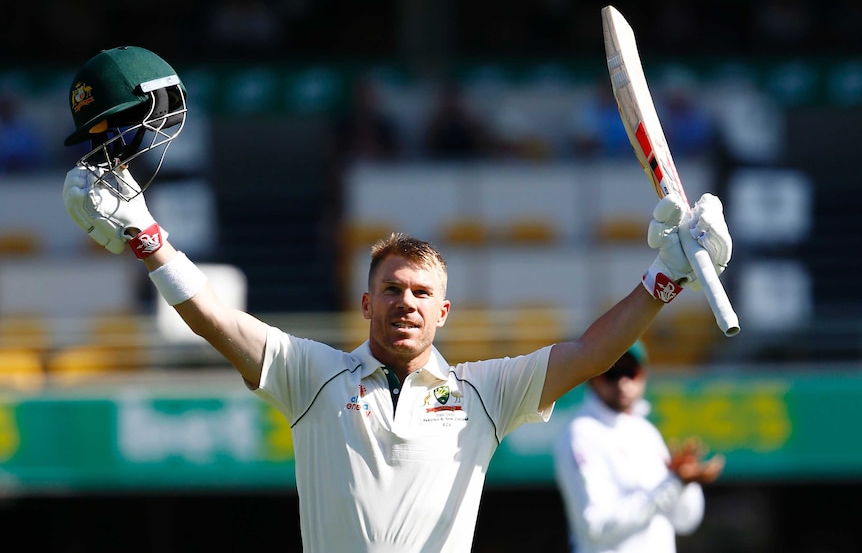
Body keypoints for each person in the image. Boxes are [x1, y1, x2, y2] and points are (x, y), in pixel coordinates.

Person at [60, 46, 733, 553]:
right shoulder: (312, 376)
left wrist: (665, 276)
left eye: (421, 293)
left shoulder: (483, 393)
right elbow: (214, 318)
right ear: (365, 302)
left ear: (444, 312)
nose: (405, 302)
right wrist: (151, 241)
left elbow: (591, 353)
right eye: (391, 289)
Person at [553, 340, 725, 553]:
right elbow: (595, 526)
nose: (623, 382)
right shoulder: (580, 433)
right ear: (593, 377)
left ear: (642, 375)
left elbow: (685, 521)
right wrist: (672, 484)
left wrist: (684, 484)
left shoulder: (646, 432)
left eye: (630, 372)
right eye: (612, 372)